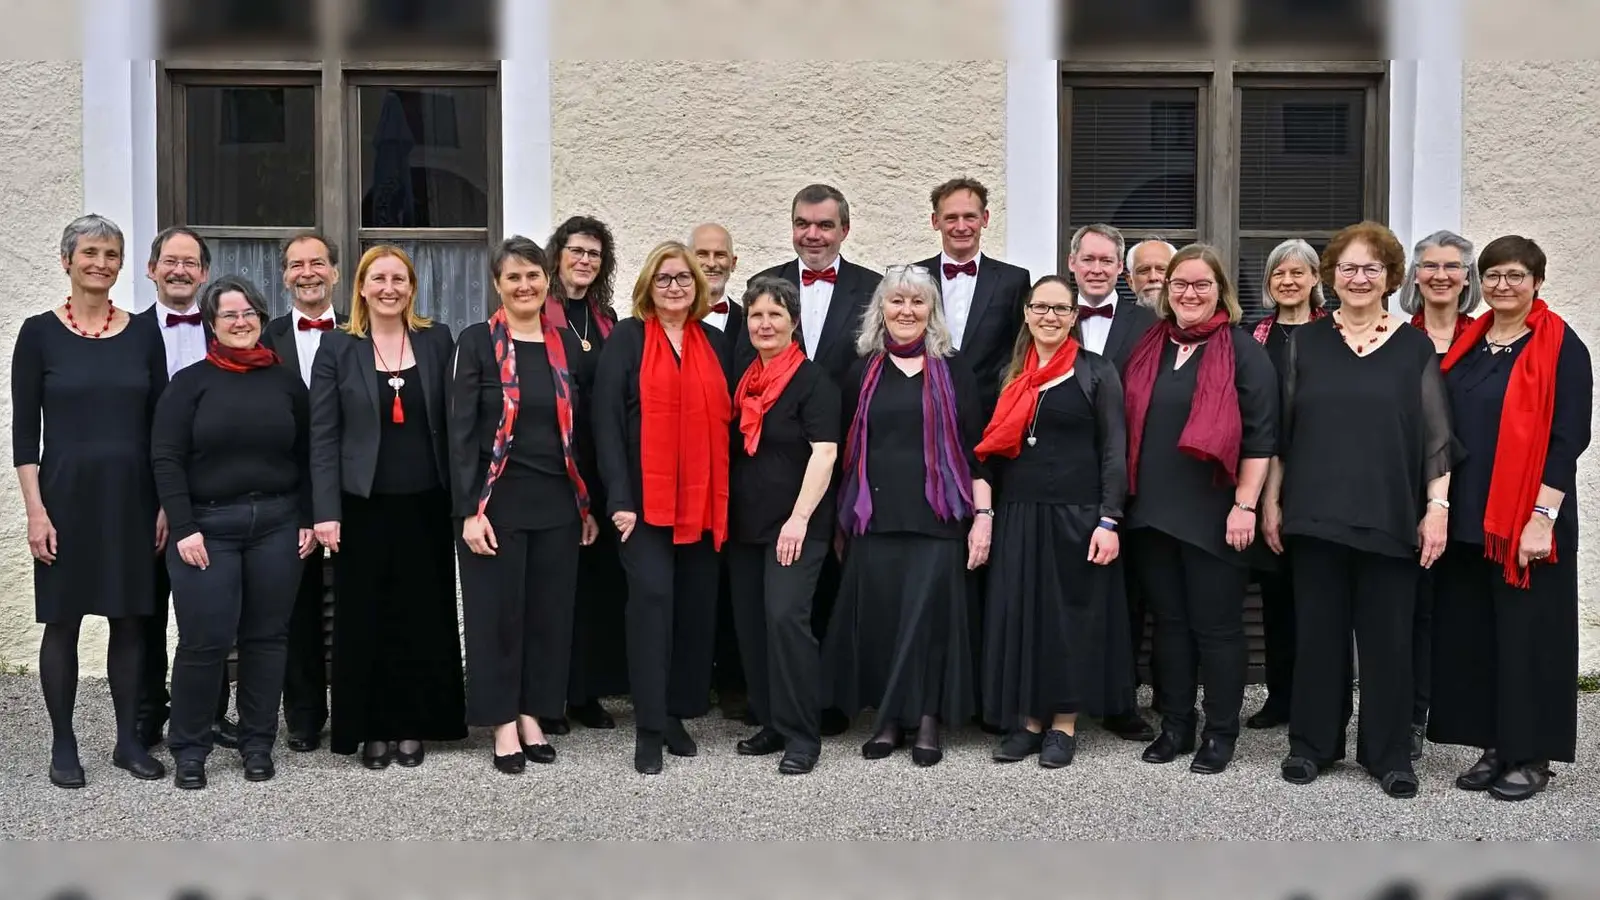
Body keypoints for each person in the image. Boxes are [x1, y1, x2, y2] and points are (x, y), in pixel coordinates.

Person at [1265, 221, 1453, 799]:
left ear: (1391, 277)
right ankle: (1312, 746)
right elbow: (1281, 435)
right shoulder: (1304, 343)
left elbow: (1437, 438)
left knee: (1388, 641)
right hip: (1314, 512)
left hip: (1390, 513)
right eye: (1348, 267)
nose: (1359, 277)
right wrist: (1271, 501)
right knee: (1318, 636)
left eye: (1372, 268)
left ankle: (1388, 754)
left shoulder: (1414, 347)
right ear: (1332, 276)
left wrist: (1438, 508)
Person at [1431, 235, 1592, 801]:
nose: (1502, 285)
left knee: (1530, 639)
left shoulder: (1560, 346)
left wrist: (1542, 517)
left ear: (1537, 282)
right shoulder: (1472, 342)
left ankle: (1532, 755)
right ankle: (1495, 745)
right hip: (1472, 519)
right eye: (1494, 275)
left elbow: (1568, 439)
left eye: (1515, 276)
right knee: (1479, 636)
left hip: (1528, 520)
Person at [12, 214, 169, 788]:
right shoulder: (38, 334)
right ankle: (63, 743)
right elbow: (24, 435)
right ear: (67, 261)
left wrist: (165, 504)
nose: (101, 263)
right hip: (64, 502)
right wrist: (36, 512)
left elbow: (160, 427)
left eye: (111, 254)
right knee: (63, 622)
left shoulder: (143, 334)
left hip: (132, 501)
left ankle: (128, 741)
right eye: (91, 253)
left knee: (130, 621)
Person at [151, 276, 317, 790]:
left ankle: (257, 743)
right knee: (205, 640)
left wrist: (307, 517)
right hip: (207, 528)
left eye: (249, 313)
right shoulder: (190, 384)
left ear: (261, 319)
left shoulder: (286, 382)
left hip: (277, 524)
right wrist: (183, 527)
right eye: (229, 314)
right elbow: (166, 459)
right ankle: (190, 748)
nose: (241, 322)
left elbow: (309, 454)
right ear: (212, 323)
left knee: (267, 638)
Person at [823, 264, 991, 768]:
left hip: (939, 517)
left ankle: (928, 718)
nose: (906, 310)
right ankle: (890, 719)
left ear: (932, 310)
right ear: (881, 308)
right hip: (874, 517)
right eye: (897, 300)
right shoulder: (861, 371)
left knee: (930, 621)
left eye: (918, 301)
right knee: (885, 618)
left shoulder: (954, 370)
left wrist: (983, 517)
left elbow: (976, 451)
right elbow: (843, 450)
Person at [1121, 244, 1278, 776]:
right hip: (1151, 510)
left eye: (1201, 285)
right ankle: (1176, 725)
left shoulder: (1243, 351)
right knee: (1169, 625)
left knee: (1217, 628)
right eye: (1180, 284)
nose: (1190, 293)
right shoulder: (1149, 345)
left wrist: (1245, 505)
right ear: (1166, 291)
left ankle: (1220, 732)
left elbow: (1261, 436)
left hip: (1216, 511)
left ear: (1220, 292)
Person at [309, 245, 466, 768]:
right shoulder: (338, 346)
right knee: (365, 618)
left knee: (421, 614)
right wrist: (325, 510)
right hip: (362, 505)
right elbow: (323, 434)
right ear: (360, 286)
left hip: (428, 501)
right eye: (378, 278)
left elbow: (457, 421)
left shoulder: (437, 339)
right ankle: (371, 727)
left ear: (412, 287)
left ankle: (414, 723)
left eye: (399, 279)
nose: (389, 288)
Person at [450, 236, 600, 775]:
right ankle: (501, 723)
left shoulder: (564, 345)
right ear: (497, 284)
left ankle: (534, 712)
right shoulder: (476, 342)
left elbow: (578, 434)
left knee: (547, 615)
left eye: (533, 275)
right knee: (497, 618)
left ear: (546, 281)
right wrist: (468, 512)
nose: (524, 285)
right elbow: (459, 432)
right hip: (496, 505)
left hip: (557, 502)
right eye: (513, 277)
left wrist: (585, 506)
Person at [979, 275, 1134, 769]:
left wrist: (1109, 519)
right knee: (1024, 616)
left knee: (1069, 620)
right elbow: (987, 453)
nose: (1049, 316)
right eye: (1041, 307)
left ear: (1073, 317)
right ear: (1027, 313)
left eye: (1060, 309)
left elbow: (1114, 450)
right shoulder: (1008, 374)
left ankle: (1063, 726)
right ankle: (1028, 722)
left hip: (1078, 514)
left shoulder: (1096, 371)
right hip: (1019, 513)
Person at [594, 241, 732, 774]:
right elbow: (606, 424)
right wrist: (619, 499)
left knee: (692, 612)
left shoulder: (716, 343)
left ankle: (675, 713)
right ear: (648, 287)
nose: (674, 287)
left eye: (683, 278)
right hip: (642, 507)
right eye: (664, 278)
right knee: (651, 605)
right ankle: (649, 728)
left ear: (697, 286)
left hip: (701, 504)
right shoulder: (628, 339)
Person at [726, 276, 840, 775]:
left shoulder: (814, 381)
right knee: (753, 626)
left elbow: (825, 453)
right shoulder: (746, 379)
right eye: (756, 315)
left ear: (794, 322)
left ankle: (802, 735)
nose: (765, 324)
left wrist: (798, 519)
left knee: (786, 620)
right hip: (746, 523)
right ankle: (771, 720)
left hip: (796, 526)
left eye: (775, 314)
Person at [135, 225, 235, 751]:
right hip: (144, 495)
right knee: (147, 610)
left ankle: (212, 714)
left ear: (204, 273)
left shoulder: (225, 332)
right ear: (151, 269)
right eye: (169, 261)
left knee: (210, 611)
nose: (179, 270)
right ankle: (148, 715)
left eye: (190, 262)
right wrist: (160, 500)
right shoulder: (127, 333)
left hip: (213, 495)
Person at [1394, 229, 1484, 757]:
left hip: (1476, 494)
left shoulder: (1488, 341)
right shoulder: (1399, 341)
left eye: (1452, 266)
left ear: (1467, 278)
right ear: (1415, 276)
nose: (1441, 275)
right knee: (1417, 610)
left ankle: (1467, 717)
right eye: (1430, 266)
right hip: (1414, 494)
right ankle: (1411, 717)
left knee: (1465, 608)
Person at [257, 230, 342, 753]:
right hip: (288, 493)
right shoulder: (264, 338)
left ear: (335, 271)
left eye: (317, 263)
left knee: (356, 603)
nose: (307, 273)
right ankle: (305, 717)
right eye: (296, 265)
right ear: (285, 276)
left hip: (354, 487)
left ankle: (357, 711)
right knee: (298, 606)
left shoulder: (359, 331)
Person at [542, 215, 627, 734]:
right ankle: (549, 693)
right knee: (557, 583)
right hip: (554, 466)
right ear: (557, 255)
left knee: (597, 583)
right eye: (576, 250)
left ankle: (586, 691)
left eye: (594, 254)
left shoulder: (607, 319)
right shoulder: (538, 314)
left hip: (601, 466)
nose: (584, 260)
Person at [1247, 238, 1327, 731]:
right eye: (1279, 273)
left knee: (1316, 596)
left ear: (1316, 279)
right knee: (1275, 595)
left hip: (1318, 478)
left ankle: (1314, 701)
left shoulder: (1335, 334)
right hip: (1263, 479)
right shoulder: (1255, 336)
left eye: (1298, 272)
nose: (1289, 281)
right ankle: (1279, 698)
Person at [913, 177, 1032, 411]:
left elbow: (1021, 348)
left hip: (991, 410)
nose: (961, 227)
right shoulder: (914, 277)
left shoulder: (1014, 280)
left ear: (985, 219)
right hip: (925, 407)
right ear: (935, 221)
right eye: (951, 218)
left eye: (970, 216)